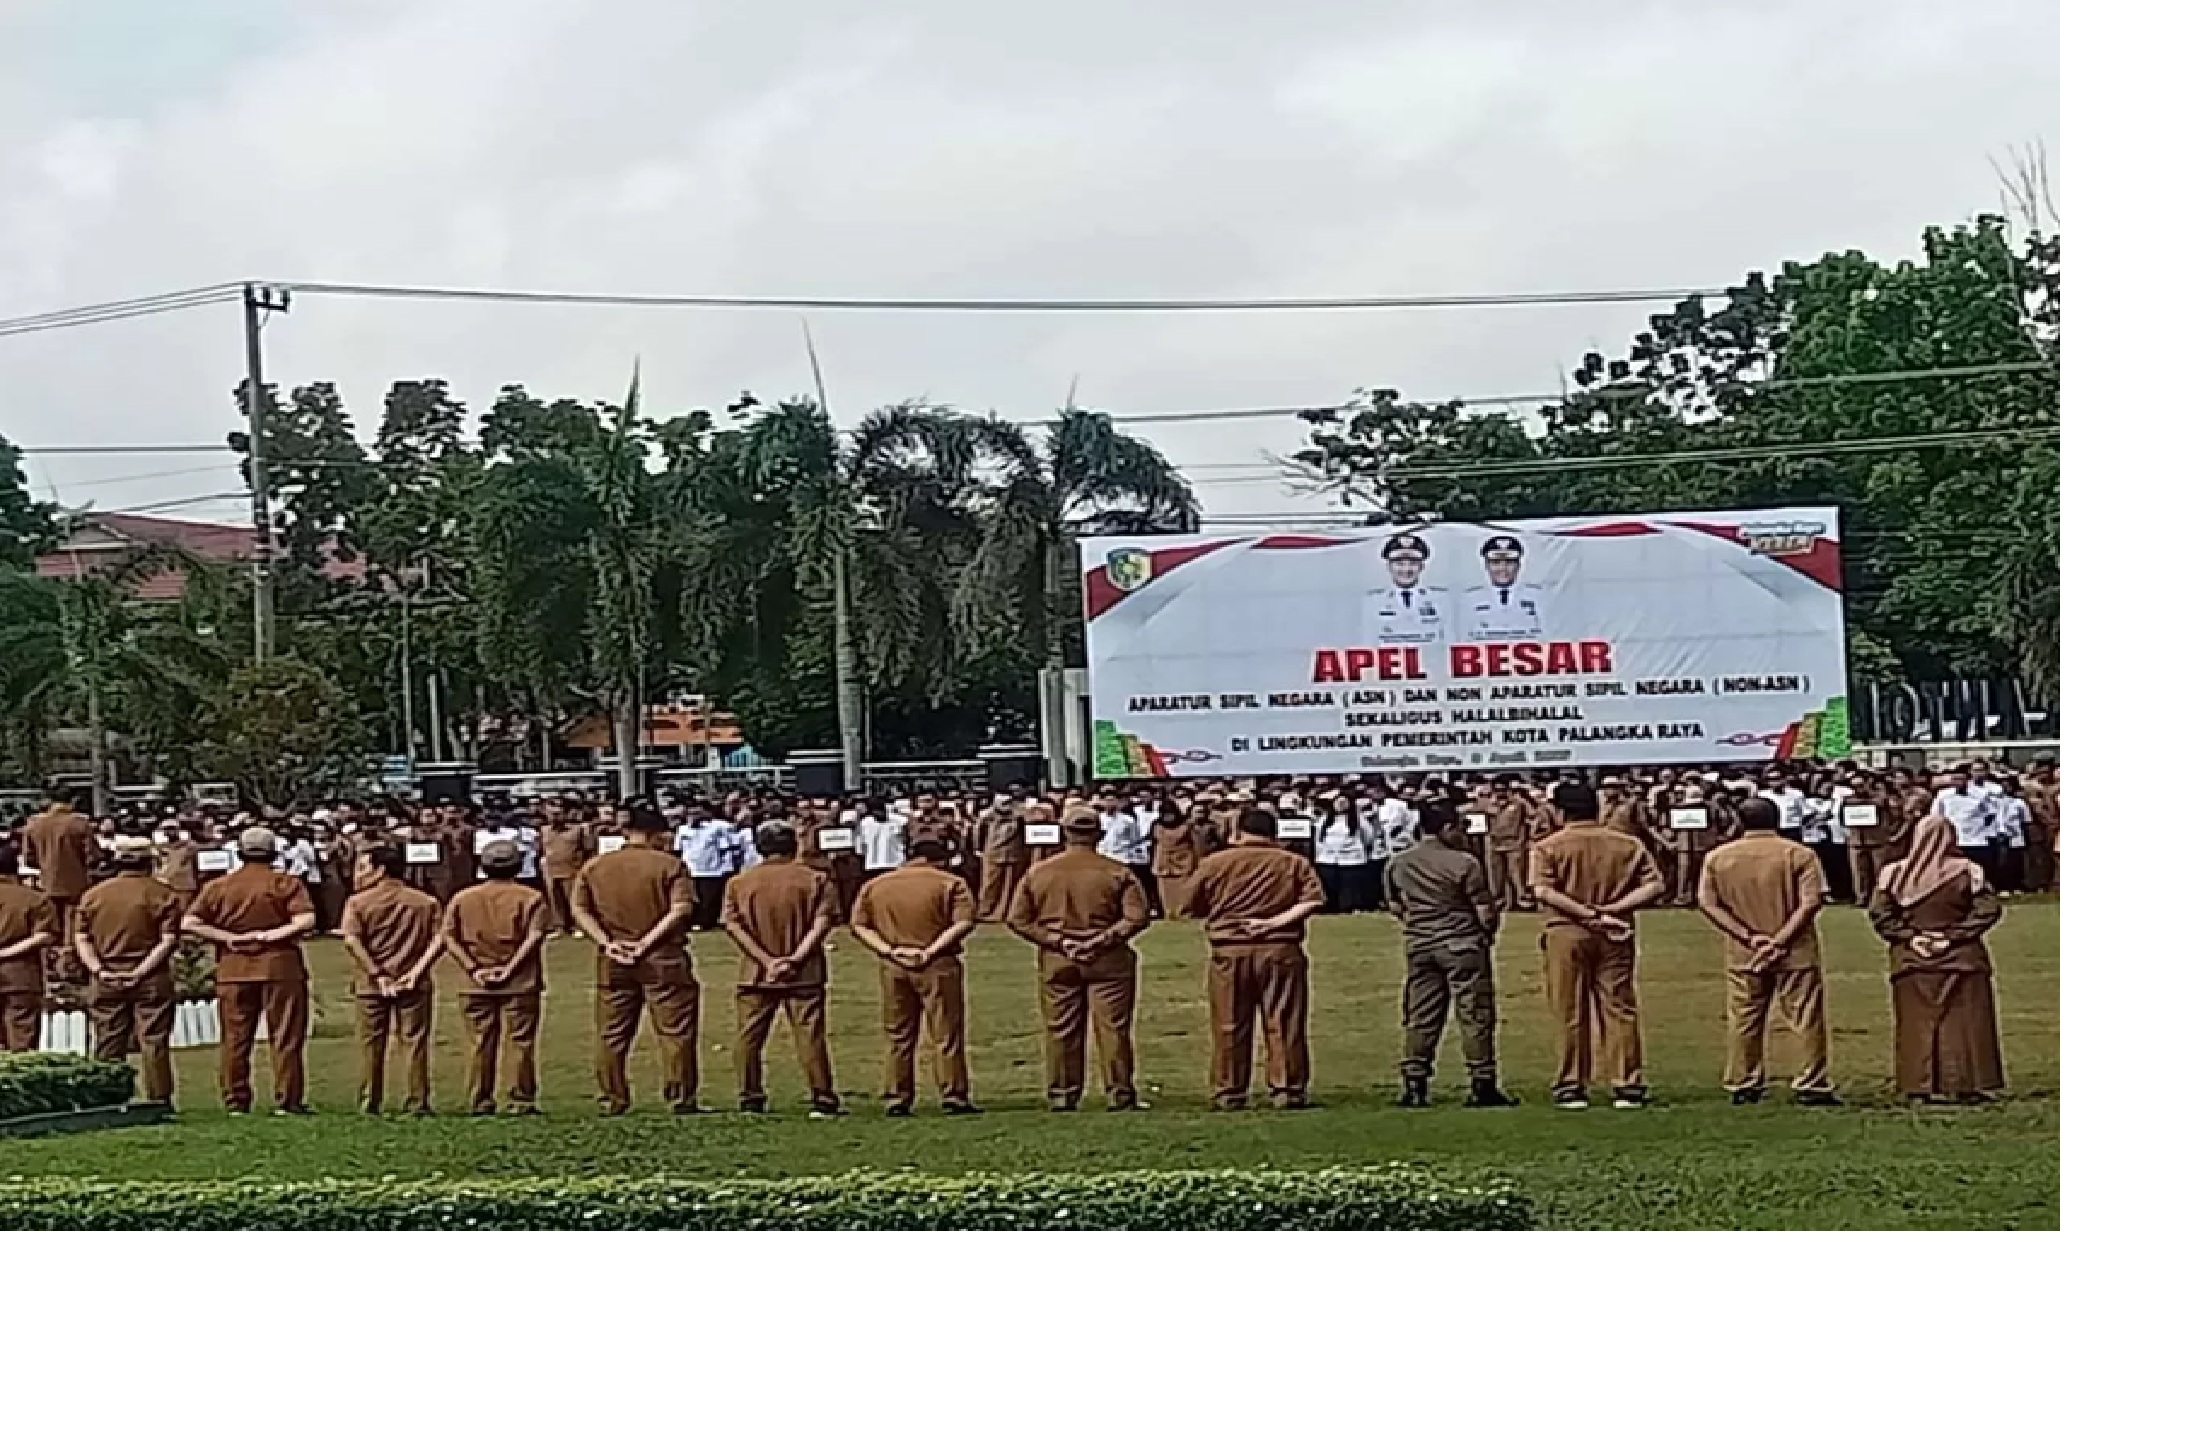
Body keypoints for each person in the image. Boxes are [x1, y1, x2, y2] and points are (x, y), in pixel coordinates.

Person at [1528, 782, 1666, 1109]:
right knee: (1618, 1007)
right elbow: (1655, 885)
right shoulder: (1627, 844)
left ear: (1559, 811)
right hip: (1616, 931)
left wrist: (1586, 914)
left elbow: (1543, 890)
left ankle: (1571, 1084)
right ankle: (1626, 1083)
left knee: (1569, 1010)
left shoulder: (1547, 847)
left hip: (1566, 930)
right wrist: (1612, 911)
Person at [1005, 807, 1151, 1112]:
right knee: (1113, 1029)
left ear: (1064, 833)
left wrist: (1059, 941)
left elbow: (1018, 920)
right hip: (1109, 959)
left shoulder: (1039, 872)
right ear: (1100, 834)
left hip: (1059, 958)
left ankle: (1062, 1093)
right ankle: (1119, 1093)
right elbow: (1136, 917)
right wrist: (1102, 940)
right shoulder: (1117, 872)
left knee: (1060, 1029)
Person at [1695, 798, 1839, 1106]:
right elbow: (1811, 902)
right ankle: (1811, 1082)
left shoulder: (1718, 857)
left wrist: (1749, 938)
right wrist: (1779, 941)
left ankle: (1744, 1081)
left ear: (1739, 821)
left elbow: (1708, 904)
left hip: (1744, 952)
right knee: (1805, 1018)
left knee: (1745, 1019)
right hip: (1796, 950)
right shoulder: (1798, 854)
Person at [1185, 807, 1327, 1111]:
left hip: (1230, 950)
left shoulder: (1214, 863)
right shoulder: (1293, 862)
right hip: (1280, 948)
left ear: (1238, 831)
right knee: (1284, 1021)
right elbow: (1313, 900)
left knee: (1229, 1022)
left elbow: (1188, 904)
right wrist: (1273, 922)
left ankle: (1229, 1091)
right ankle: (1287, 1089)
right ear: (1274, 832)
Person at [572, 805, 703, 1115]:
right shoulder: (670, 865)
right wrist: (646, 942)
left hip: (614, 957)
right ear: (657, 834)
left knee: (612, 1034)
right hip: (663, 956)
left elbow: (580, 910)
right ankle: (680, 1096)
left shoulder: (595, 867)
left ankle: (612, 1097)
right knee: (675, 1032)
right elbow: (680, 908)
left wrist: (607, 943)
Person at [1383, 801, 1513, 1109]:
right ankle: (1482, 1082)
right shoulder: (1464, 863)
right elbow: (1484, 909)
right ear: (1446, 829)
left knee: (1421, 1015)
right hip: (1462, 943)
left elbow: (1395, 904)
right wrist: (1487, 935)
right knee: (1475, 1014)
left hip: (1420, 944)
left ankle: (1415, 1082)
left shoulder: (1399, 863)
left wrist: (1417, 925)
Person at [1868, 814, 2007, 1103]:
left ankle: (1917, 1083)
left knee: (1916, 1023)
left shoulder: (1893, 874)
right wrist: (1951, 936)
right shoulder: (1969, 871)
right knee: (1965, 1022)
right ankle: (1966, 1083)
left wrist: (1910, 937)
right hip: (1961, 958)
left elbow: (1881, 914)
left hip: (1911, 958)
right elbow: (1988, 910)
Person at [182, 826, 319, 1115]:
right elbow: (305, 919)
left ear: (239, 852)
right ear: (274, 852)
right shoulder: (286, 883)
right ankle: (288, 1099)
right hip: (280, 966)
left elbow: (190, 922)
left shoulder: (218, 886)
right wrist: (270, 936)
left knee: (235, 1038)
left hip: (233, 968)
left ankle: (236, 1100)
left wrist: (227, 937)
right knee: (285, 1036)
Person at [851, 837, 981, 1116]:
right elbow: (964, 922)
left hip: (894, 965)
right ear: (940, 860)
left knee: (898, 1034)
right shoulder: (951, 883)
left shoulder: (876, 885)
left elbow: (859, 925)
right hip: (938, 963)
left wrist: (888, 950)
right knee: (946, 1032)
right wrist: (930, 950)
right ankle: (953, 1093)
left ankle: (897, 1095)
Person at [722, 820, 842, 1117]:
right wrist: (795, 959)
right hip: (804, 971)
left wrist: (766, 961)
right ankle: (822, 1095)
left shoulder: (739, 883)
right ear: (794, 845)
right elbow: (823, 922)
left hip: (756, 972)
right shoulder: (816, 880)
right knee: (809, 1036)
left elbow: (732, 925)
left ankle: (750, 1095)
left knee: (749, 1037)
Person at [441, 838, 552, 1116]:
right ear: (519, 866)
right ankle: (520, 1099)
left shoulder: (463, 898)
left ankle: (480, 1098)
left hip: (474, 983)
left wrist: (473, 968)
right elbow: (534, 937)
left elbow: (449, 937)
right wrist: (510, 968)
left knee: (479, 1042)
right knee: (520, 1041)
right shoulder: (531, 898)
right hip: (520, 981)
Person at [75, 836, 187, 1108]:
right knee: (154, 1040)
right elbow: (168, 940)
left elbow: (82, 938)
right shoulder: (163, 894)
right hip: (151, 976)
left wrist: (98, 969)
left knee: (108, 1039)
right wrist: (140, 971)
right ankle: (158, 1099)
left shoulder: (94, 895)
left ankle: (106, 1099)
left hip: (105, 975)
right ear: (149, 861)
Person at [338, 844, 444, 1115]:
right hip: (413, 981)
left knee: (371, 1044)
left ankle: (369, 1100)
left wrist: (377, 973)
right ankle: (417, 1100)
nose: (358, 874)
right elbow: (440, 939)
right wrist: (416, 971)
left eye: (364, 868)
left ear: (380, 870)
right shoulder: (425, 902)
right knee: (414, 1042)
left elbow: (352, 940)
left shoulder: (358, 902)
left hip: (370, 984)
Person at [21, 789, 98, 976]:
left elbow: (29, 858)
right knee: (73, 927)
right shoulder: (80, 823)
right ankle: (70, 966)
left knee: (49, 926)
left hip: (46, 883)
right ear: (72, 800)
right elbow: (93, 856)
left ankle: (50, 966)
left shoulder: (34, 824)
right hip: (77, 884)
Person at [0, 847, 57, 1051]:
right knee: (22, 1035)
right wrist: (7, 952)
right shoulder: (34, 899)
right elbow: (45, 935)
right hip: (21, 973)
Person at [1369, 531, 1447, 644]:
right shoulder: (1373, 602)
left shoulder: (1440, 600)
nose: (1406, 570)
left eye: (1413, 563)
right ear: (1389, 566)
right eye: (1399, 564)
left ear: (1422, 566)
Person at [1840, 774, 1903, 908]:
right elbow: (1842, 818)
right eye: (1854, 786)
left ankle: (1882, 899)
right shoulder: (1847, 800)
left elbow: (1895, 815)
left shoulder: (1881, 799)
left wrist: (1891, 832)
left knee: (1880, 872)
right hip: (1856, 840)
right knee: (1859, 873)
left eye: (1860, 785)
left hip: (1878, 840)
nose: (1858, 789)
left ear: (1868, 784)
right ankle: (1861, 898)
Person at [1465, 533, 1543, 638]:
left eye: (1509, 562)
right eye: (1496, 562)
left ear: (1519, 565)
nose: (1503, 568)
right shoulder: (1471, 599)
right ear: (1486, 565)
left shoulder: (1536, 597)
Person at [1931, 767, 2002, 881]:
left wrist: (1983, 829)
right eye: (1955, 779)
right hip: (1954, 840)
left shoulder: (1982, 794)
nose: (1958, 782)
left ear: (1968, 780)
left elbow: (1992, 813)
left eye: (1961, 779)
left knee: (1981, 871)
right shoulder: (1943, 795)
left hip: (1977, 840)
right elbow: (1936, 815)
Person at [1312, 793, 1380, 913]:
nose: (1341, 805)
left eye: (1344, 802)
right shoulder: (1325, 819)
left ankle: (1351, 907)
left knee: (1351, 887)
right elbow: (1318, 839)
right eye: (1338, 802)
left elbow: (1368, 836)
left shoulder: (1359, 819)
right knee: (1330, 885)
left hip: (1352, 859)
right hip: (1328, 859)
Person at [540, 804, 592, 934]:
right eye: (551, 814)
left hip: (571, 869)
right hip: (551, 870)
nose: (554, 817)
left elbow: (588, 849)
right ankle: (559, 927)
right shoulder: (544, 830)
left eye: (558, 814)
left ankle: (578, 926)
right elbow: (541, 849)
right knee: (555, 900)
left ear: (565, 814)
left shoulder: (578, 830)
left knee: (573, 899)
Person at [1149, 797, 1201, 919]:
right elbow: (1153, 843)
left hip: (1183, 864)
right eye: (1165, 814)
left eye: (1170, 814)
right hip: (1163, 865)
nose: (1168, 817)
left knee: (1184, 895)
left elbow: (1196, 844)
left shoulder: (1187, 825)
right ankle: (1169, 915)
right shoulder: (1156, 825)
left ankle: (1185, 915)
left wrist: (1198, 861)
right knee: (1166, 896)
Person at [857, 796, 909, 882]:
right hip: (873, 865)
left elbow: (906, 840)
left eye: (881, 810)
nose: (879, 813)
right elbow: (861, 847)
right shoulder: (865, 823)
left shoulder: (900, 821)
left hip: (895, 864)